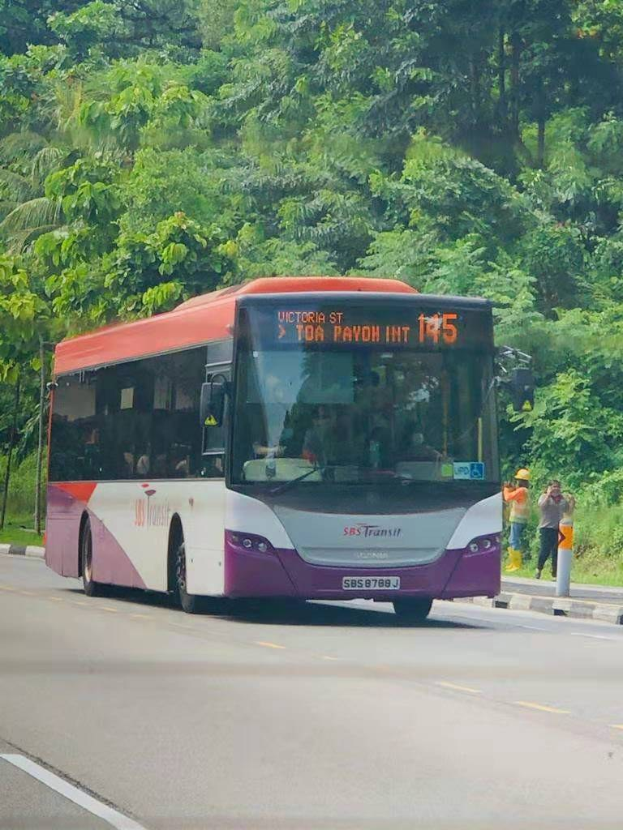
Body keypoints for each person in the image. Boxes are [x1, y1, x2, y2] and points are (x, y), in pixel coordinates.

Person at [536, 480, 573, 579]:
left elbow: (568, 511)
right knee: (545, 550)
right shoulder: (544, 497)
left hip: (558, 528)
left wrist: (572, 502)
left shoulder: (562, 500)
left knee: (556, 552)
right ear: (549, 487)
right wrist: (548, 495)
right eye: (553, 486)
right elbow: (542, 507)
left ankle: (554, 574)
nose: (556, 489)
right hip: (546, 527)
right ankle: (539, 568)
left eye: (558, 487)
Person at [503, 468, 531, 572]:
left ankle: (516, 564)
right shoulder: (524, 491)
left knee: (514, 540)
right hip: (520, 518)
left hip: (518, 519)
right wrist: (511, 489)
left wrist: (506, 489)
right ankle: (513, 563)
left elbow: (507, 498)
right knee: (512, 539)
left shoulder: (521, 490)